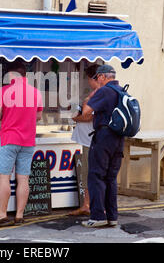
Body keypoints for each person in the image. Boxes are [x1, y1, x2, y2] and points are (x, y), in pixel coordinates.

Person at [0, 60, 43, 227]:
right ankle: (19, 216)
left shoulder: (5, 91)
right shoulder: (36, 92)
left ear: (12, 74)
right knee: (23, 178)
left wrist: (8, 116)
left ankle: (2, 216)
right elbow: (39, 116)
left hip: (8, 139)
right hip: (28, 141)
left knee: (4, 177)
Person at [77, 64, 124, 228]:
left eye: (97, 77)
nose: (96, 80)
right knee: (111, 178)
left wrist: (89, 98)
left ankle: (97, 216)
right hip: (118, 138)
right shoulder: (121, 90)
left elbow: (86, 112)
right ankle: (112, 216)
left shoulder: (104, 91)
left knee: (96, 175)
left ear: (103, 76)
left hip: (103, 136)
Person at [69, 64, 100, 216]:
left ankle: (92, 205)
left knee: (91, 174)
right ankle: (87, 204)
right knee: (89, 174)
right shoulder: (99, 93)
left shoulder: (98, 94)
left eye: (88, 78)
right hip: (89, 139)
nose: (88, 81)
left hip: (91, 139)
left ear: (94, 78)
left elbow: (88, 116)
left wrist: (76, 117)